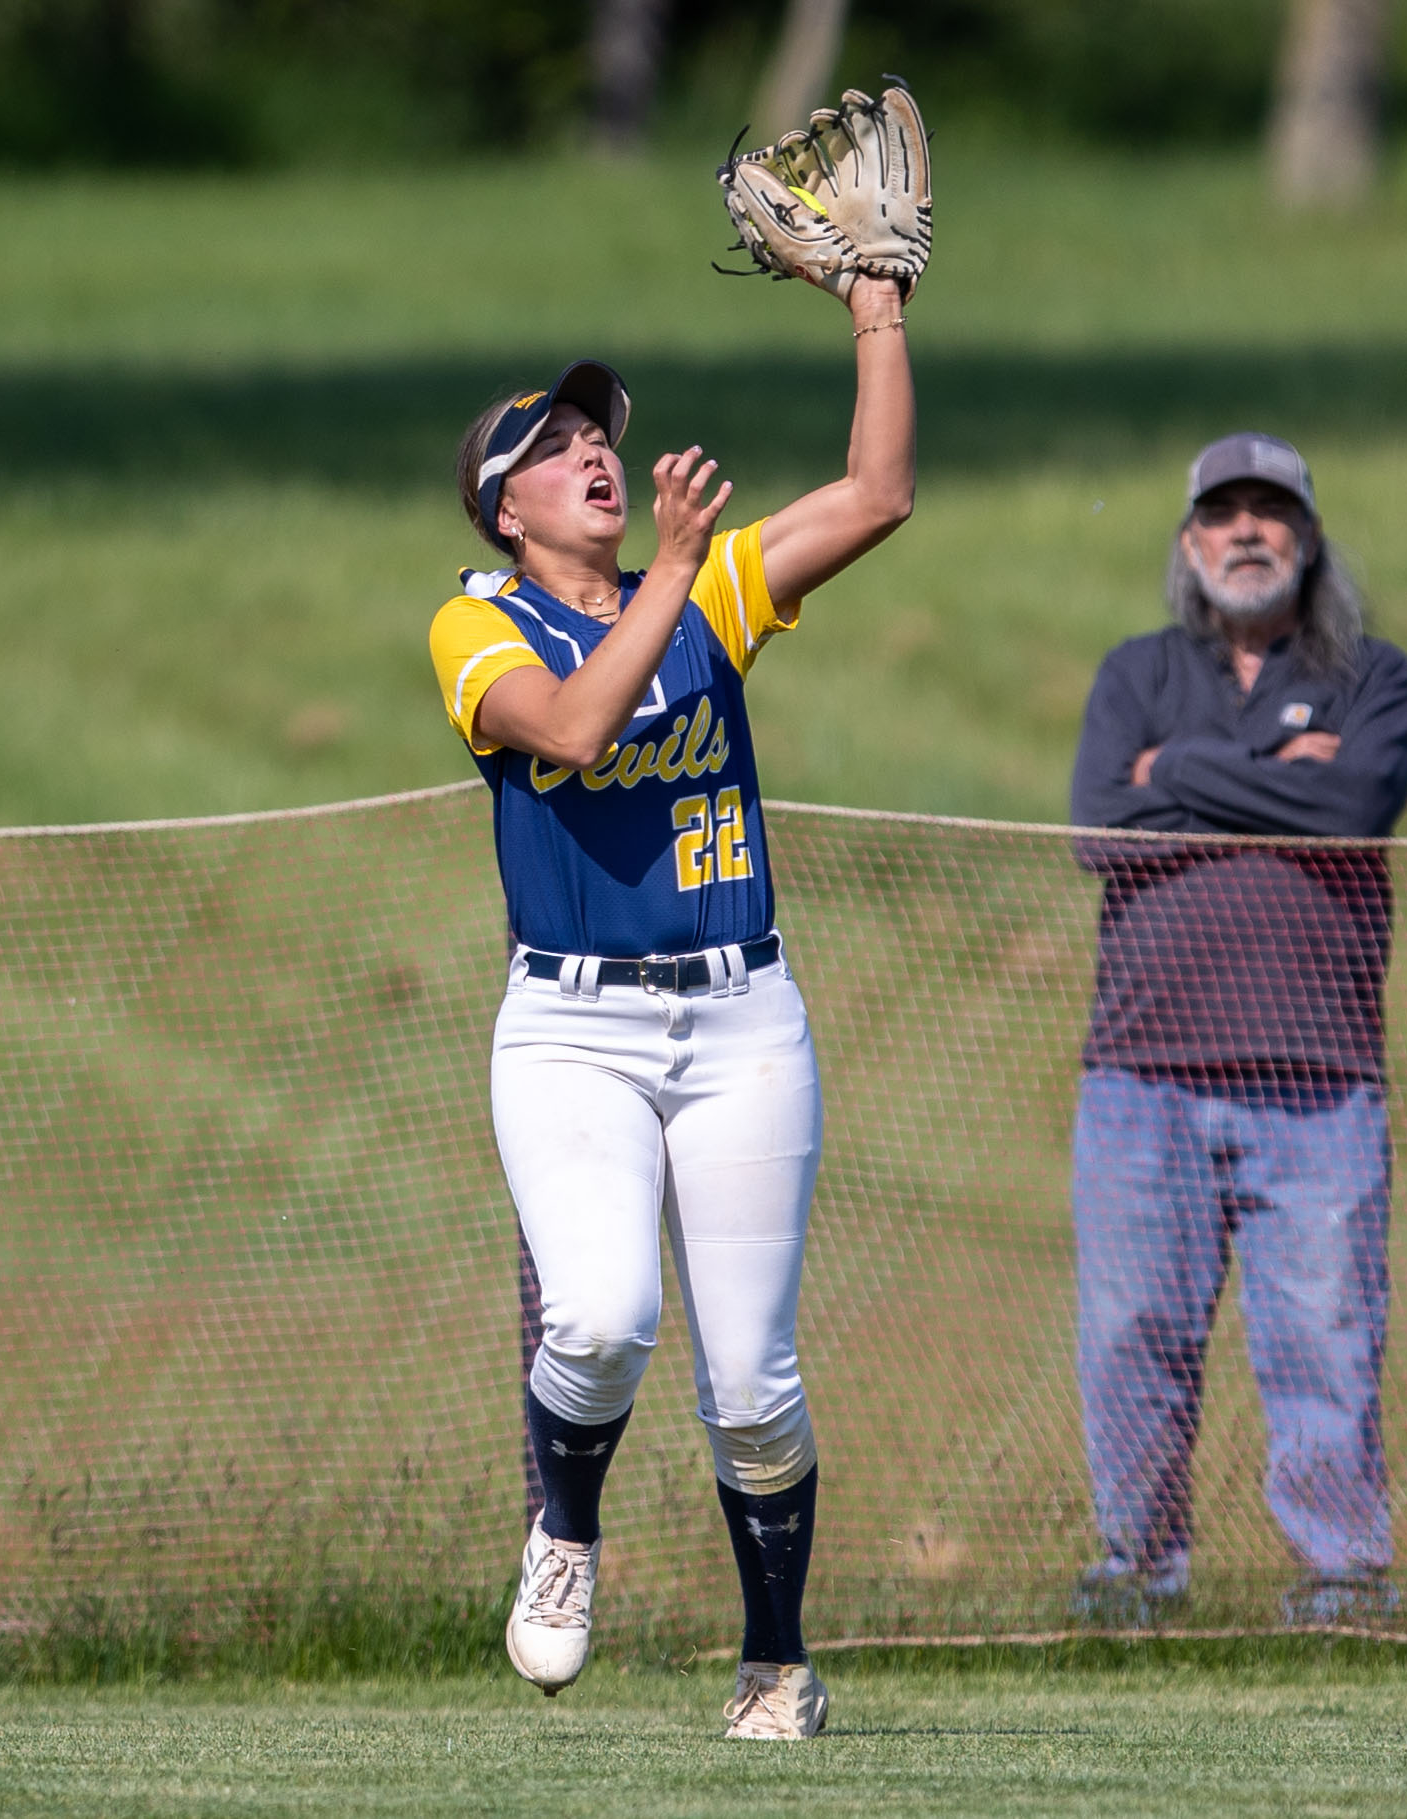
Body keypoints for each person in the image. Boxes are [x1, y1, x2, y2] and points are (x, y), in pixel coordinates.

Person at [427, 275, 914, 1737]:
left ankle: (775, 1663)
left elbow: (878, 494)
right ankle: (566, 1530)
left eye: (595, 429)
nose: (591, 448)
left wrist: (875, 310)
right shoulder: (475, 625)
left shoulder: (697, 590)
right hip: (572, 1027)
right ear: (504, 511)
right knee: (600, 1313)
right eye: (550, 443)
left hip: (743, 1017)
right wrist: (680, 568)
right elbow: (576, 730)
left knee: (753, 1383)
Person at [1067, 433, 1407, 1626]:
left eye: (1272, 511)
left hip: (1319, 1078)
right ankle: (1136, 1576)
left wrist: (1176, 773)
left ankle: (1341, 1583)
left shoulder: (1374, 678)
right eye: (1223, 513)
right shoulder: (1134, 672)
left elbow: (1353, 805)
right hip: (1139, 1074)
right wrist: (1273, 764)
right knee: (1130, 1336)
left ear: (1308, 540)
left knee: (1324, 1339)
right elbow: (1096, 825)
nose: (1247, 532)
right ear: (1189, 543)